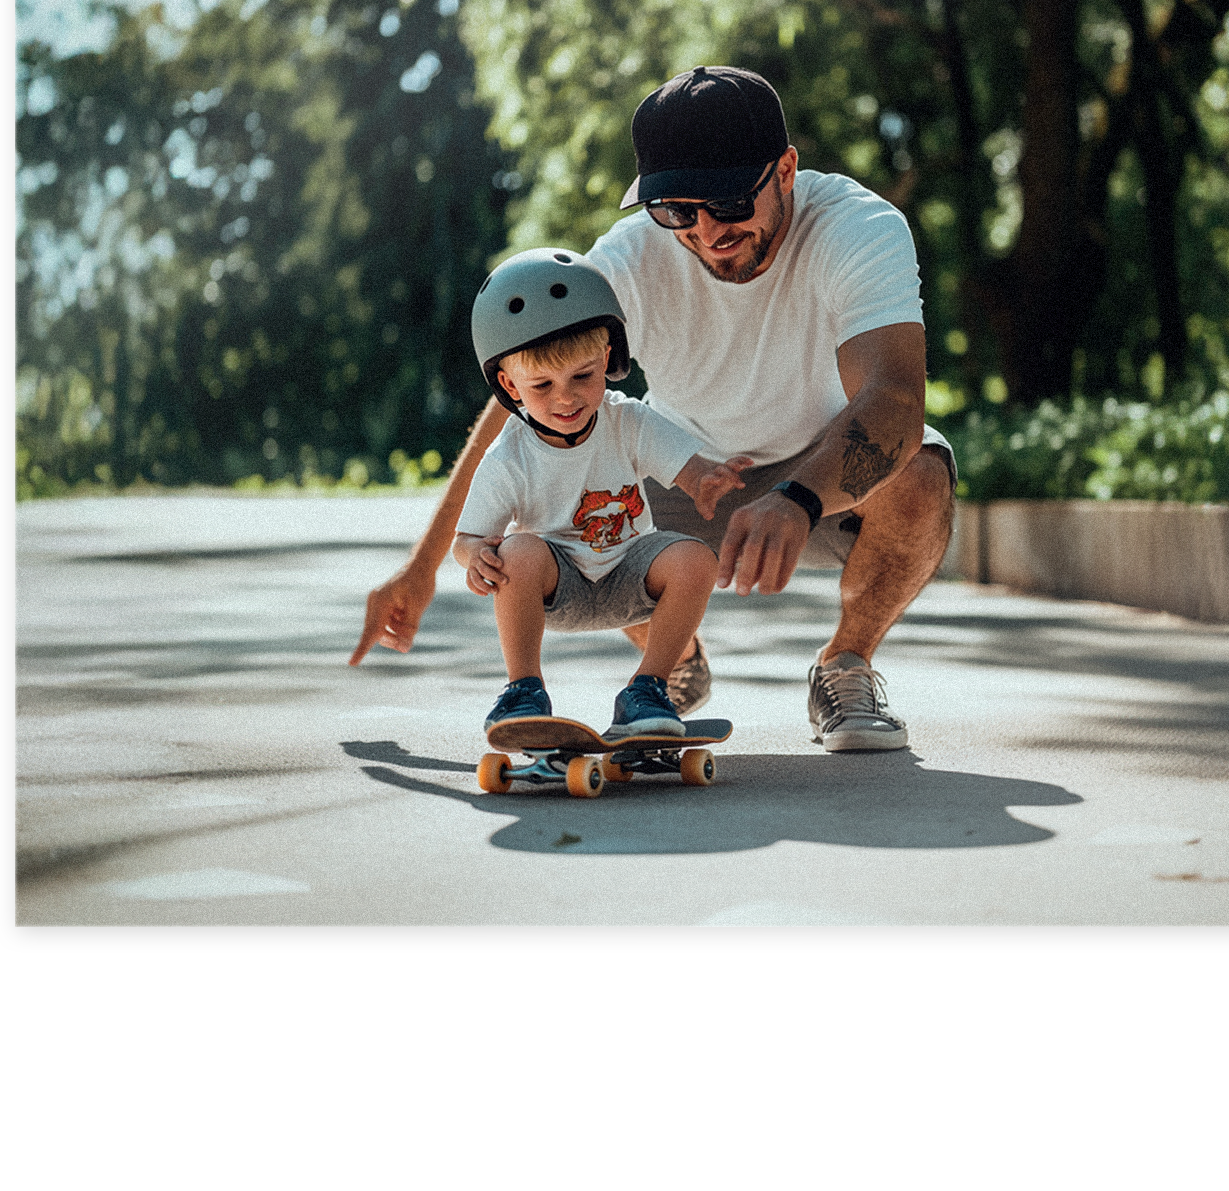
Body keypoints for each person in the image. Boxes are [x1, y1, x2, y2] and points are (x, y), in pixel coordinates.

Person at [352, 65, 955, 752]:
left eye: (729, 203)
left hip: (823, 476)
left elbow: (896, 400)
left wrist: (797, 497)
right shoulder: (630, 261)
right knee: (556, 477)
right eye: (676, 211)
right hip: (679, 474)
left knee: (920, 474)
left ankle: (845, 664)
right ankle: (671, 665)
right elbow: (520, 408)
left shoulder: (857, 228)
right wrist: (422, 566)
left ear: (785, 169)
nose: (705, 231)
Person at [454, 247, 748, 739]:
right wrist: (475, 558)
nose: (565, 398)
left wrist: (707, 480)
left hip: (630, 573)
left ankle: (648, 688)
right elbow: (467, 538)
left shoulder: (626, 420)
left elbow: (687, 467)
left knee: (695, 559)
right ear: (509, 384)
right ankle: (523, 690)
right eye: (542, 384)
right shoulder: (510, 456)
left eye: (582, 376)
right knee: (517, 549)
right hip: (558, 585)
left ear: (607, 358)